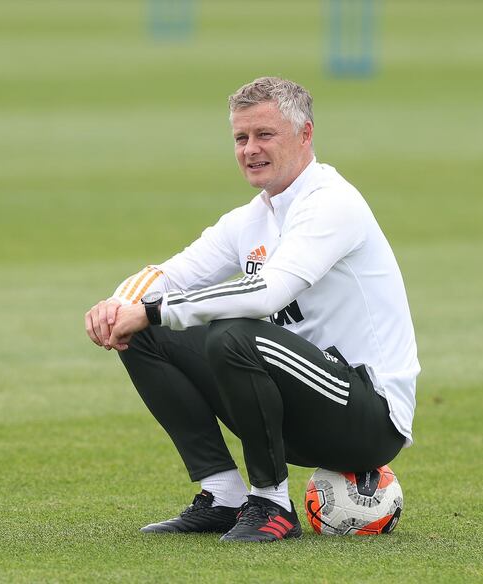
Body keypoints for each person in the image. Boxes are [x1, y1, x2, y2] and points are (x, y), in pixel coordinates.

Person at [84, 77, 420, 543]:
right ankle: (224, 496)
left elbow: (267, 294)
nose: (250, 149)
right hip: (298, 404)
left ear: (305, 135)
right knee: (145, 331)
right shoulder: (252, 218)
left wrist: (154, 308)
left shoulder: (333, 203)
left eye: (265, 135)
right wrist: (119, 304)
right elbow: (170, 272)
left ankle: (271, 504)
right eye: (240, 138)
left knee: (233, 334)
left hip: (368, 416)